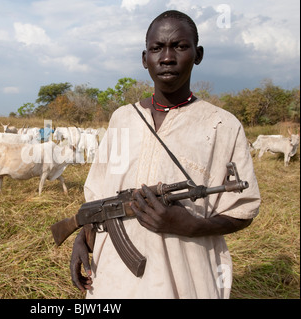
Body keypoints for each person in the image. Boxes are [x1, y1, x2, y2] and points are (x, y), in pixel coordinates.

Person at [70, 10, 261, 299]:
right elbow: (99, 195)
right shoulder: (122, 119)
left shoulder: (222, 125)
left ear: (197, 55)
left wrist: (192, 225)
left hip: (185, 281)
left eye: (180, 47)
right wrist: (81, 238)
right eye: (157, 48)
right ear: (144, 58)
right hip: (112, 280)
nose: (167, 57)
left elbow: (243, 210)